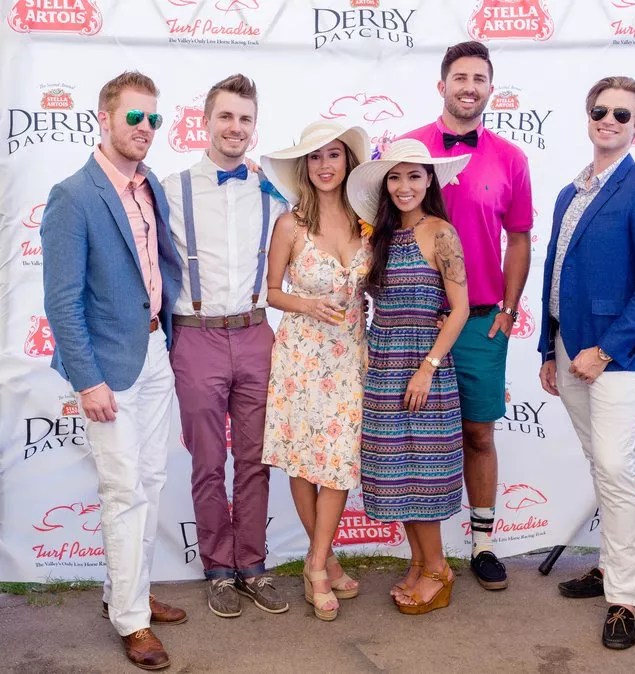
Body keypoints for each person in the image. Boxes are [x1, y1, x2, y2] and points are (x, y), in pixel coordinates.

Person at [41, 71, 185, 671]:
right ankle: (131, 620)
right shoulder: (74, 195)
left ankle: (126, 593)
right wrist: (88, 380)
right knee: (124, 491)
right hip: (107, 368)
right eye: (134, 116)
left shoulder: (150, 185)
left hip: (154, 351)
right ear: (105, 119)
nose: (145, 128)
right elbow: (61, 301)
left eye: (154, 118)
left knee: (149, 481)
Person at [537, 76, 635, 649]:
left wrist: (605, 350)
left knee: (615, 470)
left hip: (615, 356)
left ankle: (625, 598)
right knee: (602, 466)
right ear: (588, 115)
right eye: (601, 110)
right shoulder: (568, 194)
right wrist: (548, 348)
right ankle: (609, 565)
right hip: (569, 350)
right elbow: (555, 273)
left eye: (623, 114)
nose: (609, 120)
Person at [401, 41, 533, 591]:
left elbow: (519, 238)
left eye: (479, 79)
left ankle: (482, 544)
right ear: (442, 85)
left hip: (479, 322)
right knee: (415, 437)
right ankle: (422, 555)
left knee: (478, 433)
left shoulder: (511, 158)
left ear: (490, 90)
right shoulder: (408, 150)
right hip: (414, 321)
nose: (469, 87)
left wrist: (509, 309)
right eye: (460, 77)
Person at [162, 75, 289, 619]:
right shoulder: (170, 188)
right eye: (226, 117)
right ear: (206, 121)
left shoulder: (273, 192)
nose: (235, 127)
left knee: (256, 459)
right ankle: (218, 568)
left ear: (254, 126)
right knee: (209, 461)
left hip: (257, 333)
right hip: (196, 336)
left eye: (245, 119)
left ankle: (252, 565)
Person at [347, 138, 470, 614]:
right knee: (395, 474)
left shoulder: (441, 232)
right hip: (383, 364)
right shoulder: (379, 235)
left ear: (429, 181)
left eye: (414, 176)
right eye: (395, 177)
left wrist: (427, 368)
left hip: (424, 366)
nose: (404, 186)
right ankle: (419, 563)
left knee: (423, 473)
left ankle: (438, 569)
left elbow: (459, 309)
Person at [260, 120, 371, 621]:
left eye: (334, 155)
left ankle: (316, 560)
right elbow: (271, 292)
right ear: (305, 166)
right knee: (306, 460)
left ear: (348, 162)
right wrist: (306, 304)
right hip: (302, 357)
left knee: (340, 460)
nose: (325, 165)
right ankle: (323, 565)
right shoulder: (290, 223)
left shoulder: (367, 222)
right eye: (316, 156)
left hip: (350, 355)